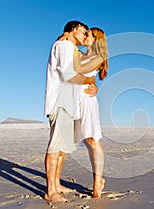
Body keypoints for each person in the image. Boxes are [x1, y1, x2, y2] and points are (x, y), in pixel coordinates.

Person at [44, 20, 103, 203]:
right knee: (55, 147)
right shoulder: (64, 45)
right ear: (72, 30)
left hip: (69, 104)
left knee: (62, 148)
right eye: (82, 31)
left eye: (86, 32)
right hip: (60, 102)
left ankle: (57, 184)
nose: (84, 35)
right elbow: (68, 74)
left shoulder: (70, 48)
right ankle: (51, 191)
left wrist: (94, 86)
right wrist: (90, 83)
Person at [72, 27, 108, 198]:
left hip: (87, 100)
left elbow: (79, 71)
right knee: (85, 140)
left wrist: (95, 85)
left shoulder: (97, 57)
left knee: (93, 139)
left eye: (88, 35)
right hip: (75, 100)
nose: (85, 36)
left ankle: (97, 181)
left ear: (96, 40)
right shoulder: (80, 53)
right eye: (85, 34)